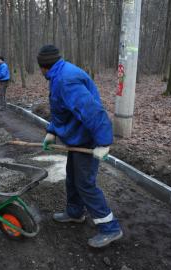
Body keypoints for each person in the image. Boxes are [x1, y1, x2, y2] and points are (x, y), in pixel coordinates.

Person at [38, 45, 123, 248]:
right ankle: (75, 213)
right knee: (73, 177)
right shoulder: (59, 74)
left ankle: (110, 228)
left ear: (43, 67)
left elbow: (92, 111)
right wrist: (52, 131)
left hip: (87, 138)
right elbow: (61, 111)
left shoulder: (66, 80)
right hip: (78, 137)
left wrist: (103, 142)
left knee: (85, 184)